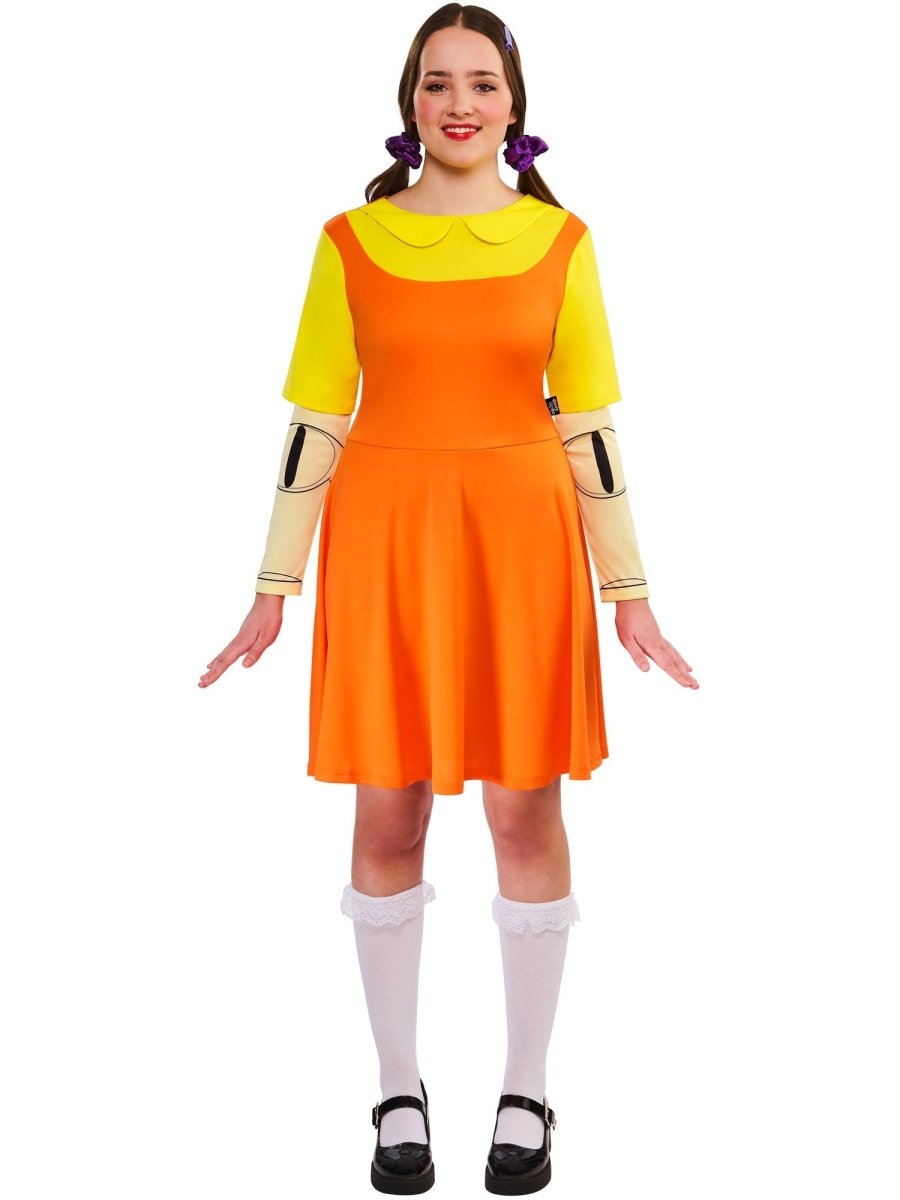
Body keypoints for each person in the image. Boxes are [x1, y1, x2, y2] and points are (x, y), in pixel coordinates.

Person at [199, 5, 699, 1194]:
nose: (459, 103)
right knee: (388, 811)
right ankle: (396, 1088)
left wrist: (630, 590)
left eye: (482, 82)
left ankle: (526, 1087)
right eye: (438, 82)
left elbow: (590, 426)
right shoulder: (349, 241)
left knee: (524, 810)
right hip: (386, 539)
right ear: (409, 101)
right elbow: (315, 422)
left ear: (514, 104)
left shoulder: (563, 242)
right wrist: (273, 583)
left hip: (521, 542)